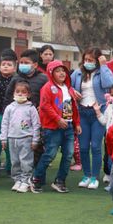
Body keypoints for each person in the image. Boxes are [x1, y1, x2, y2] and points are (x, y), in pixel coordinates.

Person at [31, 60, 82, 194]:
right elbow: (45, 106)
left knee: (68, 154)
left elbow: (72, 107)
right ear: (50, 73)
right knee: (49, 154)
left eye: (63, 70)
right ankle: (36, 178)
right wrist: (57, 119)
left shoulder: (68, 88)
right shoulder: (47, 87)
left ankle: (60, 181)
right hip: (53, 127)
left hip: (68, 126)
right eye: (57, 71)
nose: (61, 73)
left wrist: (76, 123)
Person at [71, 47, 113, 190]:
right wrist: (73, 92)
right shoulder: (77, 73)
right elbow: (68, 88)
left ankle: (95, 177)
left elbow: (108, 84)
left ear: (97, 61)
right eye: (86, 60)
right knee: (83, 147)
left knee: (96, 146)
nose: (87, 62)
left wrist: (104, 65)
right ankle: (86, 175)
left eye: (91, 60)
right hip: (82, 112)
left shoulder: (102, 72)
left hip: (98, 112)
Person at [0, 81, 40, 193]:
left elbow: (36, 125)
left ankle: (26, 181)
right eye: (18, 92)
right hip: (12, 138)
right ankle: (17, 180)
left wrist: (35, 140)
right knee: (15, 161)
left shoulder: (31, 108)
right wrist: (3, 138)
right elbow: (5, 123)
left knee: (26, 161)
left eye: (23, 92)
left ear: (29, 94)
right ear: (13, 93)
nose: (20, 94)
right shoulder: (9, 107)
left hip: (27, 138)